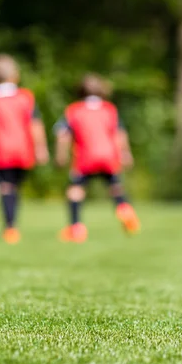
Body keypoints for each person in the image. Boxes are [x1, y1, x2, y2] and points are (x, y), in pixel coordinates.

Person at [54, 73, 141, 243]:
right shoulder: (109, 110)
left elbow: (62, 134)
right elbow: (119, 133)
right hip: (109, 156)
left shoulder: (74, 110)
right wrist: (125, 153)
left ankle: (76, 228)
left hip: (86, 158)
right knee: (115, 187)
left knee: (75, 190)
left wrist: (61, 155)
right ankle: (125, 210)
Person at [0, 54, 49, 244]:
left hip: (1, 150)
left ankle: (10, 227)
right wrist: (41, 148)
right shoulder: (26, 97)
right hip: (22, 150)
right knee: (15, 186)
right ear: (15, 76)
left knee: (5, 187)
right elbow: (35, 125)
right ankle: (13, 224)